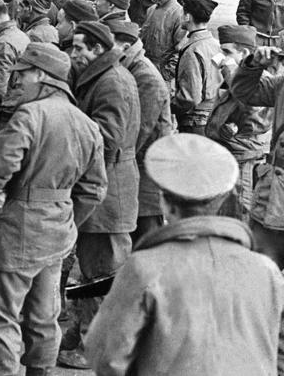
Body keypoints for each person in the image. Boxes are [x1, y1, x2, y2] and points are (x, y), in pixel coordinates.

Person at [86, 134, 284, 375]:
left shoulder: (145, 268)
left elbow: (106, 357)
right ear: (224, 199)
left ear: (165, 203)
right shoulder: (266, 270)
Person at [0, 43, 107, 376]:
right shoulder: (86, 124)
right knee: (44, 314)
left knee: (1, 315)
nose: (17, 82)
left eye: (23, 75)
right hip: (56, 231)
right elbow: (94, 189)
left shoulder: (30, 115)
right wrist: (66, 216)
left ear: (42, 76)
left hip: (15, 229)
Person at [60, 21, 141, 370]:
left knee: (102, 276)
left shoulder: (112, 83)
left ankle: (96, 348)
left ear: (95, 49)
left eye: (78, 48)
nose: (72, 54)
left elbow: (105, 141)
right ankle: (81, 338)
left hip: (108, 192)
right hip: (105, 189)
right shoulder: (105, 76)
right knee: (92, 271)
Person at [105, 19, 174, 241]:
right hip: (138, 168)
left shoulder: (146, 77)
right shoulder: (131, 68)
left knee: (146, 237)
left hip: (147, 173)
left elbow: (138, 130)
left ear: (124, 47)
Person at [205, 25, 272, 221]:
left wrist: (229, 68)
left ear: (243, 53)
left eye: (226, 51)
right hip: (230, 153)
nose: (221, 56)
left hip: (243, 158)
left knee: (240, 210)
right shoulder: (236, 77)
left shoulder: (258, 79)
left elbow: (256, 116)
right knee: (224, 208)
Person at [230, 41, 284, 267]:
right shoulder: (282, 84)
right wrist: (253, 65)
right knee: (259, 265)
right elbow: (243, 91)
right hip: (274, 190)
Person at [171, 0, 223, 134]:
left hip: (194, 123)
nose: (181, 16)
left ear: (187, 17)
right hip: (212, 118)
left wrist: (169, 105)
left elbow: (190, 97)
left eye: (182, 13)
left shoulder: (192, 50)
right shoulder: (215, 45)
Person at [139, 0, 184, 80]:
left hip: (162, 77)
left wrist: (165, 75)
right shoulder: (151, 9)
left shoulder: (180, 15)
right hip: (145, 70)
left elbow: (180, 52)